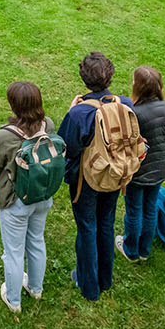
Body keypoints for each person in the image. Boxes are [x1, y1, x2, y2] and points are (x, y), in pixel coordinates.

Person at [58, 52, 132, 302]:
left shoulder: (79, 114)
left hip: (86, 180)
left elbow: (65, 146)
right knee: (106, 222)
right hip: (115, 173)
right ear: (110, 76)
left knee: (87, 226)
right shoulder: (125, 104)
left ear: (84, 78)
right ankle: (105, 279)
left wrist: (71, 110)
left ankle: (88, 284)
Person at [0, 81, 56, 313]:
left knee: (14, 252)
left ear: (13, 106)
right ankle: (36, 289)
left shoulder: (5, 137)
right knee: (36, 240)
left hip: (15, 201)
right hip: (42, 196)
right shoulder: (48, 125)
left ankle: (14, 300)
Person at [116, 66, 165, 262]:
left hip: (136, 171)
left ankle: (131, 250)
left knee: (134, 210)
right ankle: (144, 250)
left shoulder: (134, 113)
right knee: (150, 208)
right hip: (158, 169)